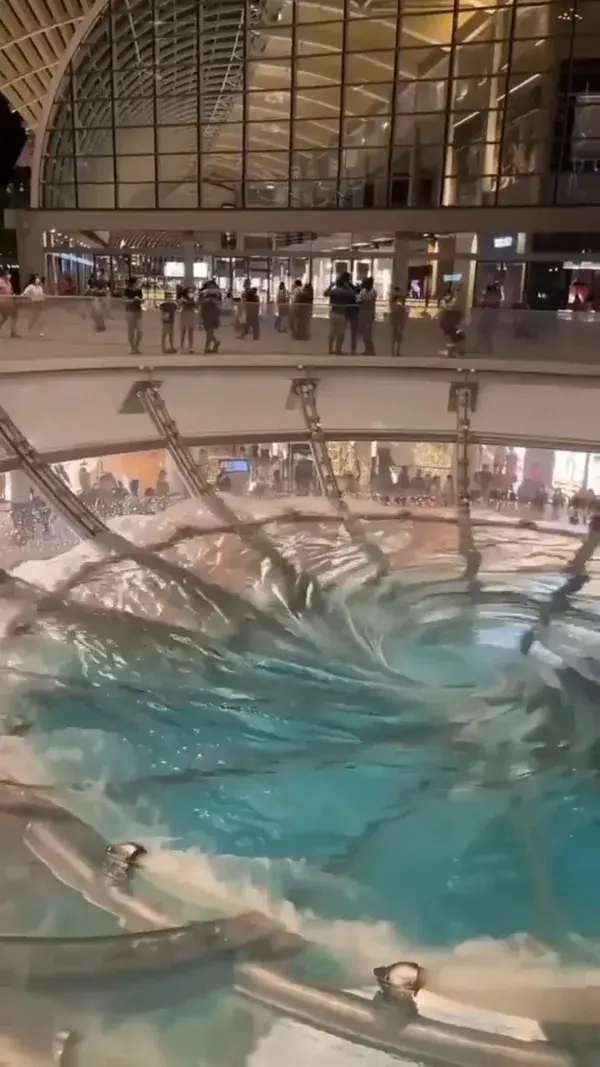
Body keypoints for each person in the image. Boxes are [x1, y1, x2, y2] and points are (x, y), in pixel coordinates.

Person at [326, 272, 356, 354]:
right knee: (341, 334)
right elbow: (353, 295)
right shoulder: (346, 292)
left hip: (333, 312)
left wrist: (331, 286)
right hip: (341, 313)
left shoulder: (334, 291)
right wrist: (349, 287)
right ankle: (338, 349)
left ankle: (330, 349)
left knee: (332, 332)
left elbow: (325, 294)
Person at [123, 276, 143, 353]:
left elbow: (141, 300)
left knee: (140, 330)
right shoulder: (127, 290)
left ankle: (136, 346)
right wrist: (132, 300)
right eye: (137, 282)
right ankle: (133, 347)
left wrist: (140, 300)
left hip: (138, 311)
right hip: (130, 311)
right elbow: (124, 301)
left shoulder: (139, 290)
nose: (138, 283)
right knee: (131, 330)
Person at [357, 276, 377, 355]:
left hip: (369, 313)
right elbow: (360, 301)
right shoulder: (363, 291)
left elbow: (368, 302)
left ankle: (370, 349)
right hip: (363, 313)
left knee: (367, 332)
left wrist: (363, 303)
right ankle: (367, 349)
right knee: (364, 333)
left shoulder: (373, 292)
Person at [199, 283, 221, 353]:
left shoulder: (206, 299)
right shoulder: (216, 297)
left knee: (209, 333)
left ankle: (211, 345)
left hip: (207, 317)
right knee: (210, 333)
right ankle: (211, 345)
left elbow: (202, 305)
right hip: (213, 316)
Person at [389, 288, 408, 357]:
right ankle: (396, 352)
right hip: (397, 321)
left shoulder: (394, 305)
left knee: (395, 337)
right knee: (397, 337)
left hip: (396, 321)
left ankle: (394, 352)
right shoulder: (400, 307)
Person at [179, 286, 197, 352]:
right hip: (185, 315)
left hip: (191, 315)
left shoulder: (192, 300)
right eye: (189, 292)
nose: (191, 293)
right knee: (183, 332)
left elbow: (195, 306)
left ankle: (191, 347)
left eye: (192, 292)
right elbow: (181, 305)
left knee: (190, 332)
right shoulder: (183, 300)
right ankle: (181, 346)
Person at [0, 269, 17, 337]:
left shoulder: (9, 282)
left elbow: (10, 291)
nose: (9, 275)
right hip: (2, 302)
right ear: (3, 275)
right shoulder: (0, 281)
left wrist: (13, 295)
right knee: (11, 316)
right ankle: (13, 332)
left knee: (6, 317)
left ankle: (13, 332)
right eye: (7, 274)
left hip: (9, 302)